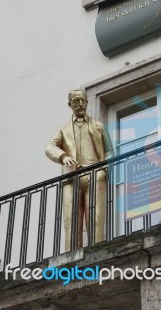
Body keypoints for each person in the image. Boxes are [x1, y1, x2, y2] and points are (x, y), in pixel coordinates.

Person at [45, 89, 114, 251]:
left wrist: (103, 169)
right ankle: (70, 257)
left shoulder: (98, 126)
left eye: (83, 100)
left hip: (95, 173)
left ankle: (97, 251)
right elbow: (50, 147)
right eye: (76, 101)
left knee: (96, 218)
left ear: (87, 102)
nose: (81, 104)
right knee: (71, 221)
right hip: (71, 177)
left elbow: (110, 151)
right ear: (70, 105)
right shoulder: (64, 128)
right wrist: (62, 157)